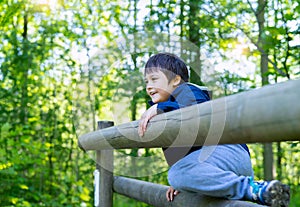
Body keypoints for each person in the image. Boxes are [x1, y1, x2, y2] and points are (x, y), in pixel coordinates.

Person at [138, 52, 290, 206]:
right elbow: (179, 155)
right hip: (213, 164)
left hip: (227, 150)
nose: (149, 86)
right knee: (178, 175)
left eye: (154, 79)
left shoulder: (186, 91)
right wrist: (183, 182)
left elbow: (194, 111)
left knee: (176, 174)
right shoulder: (166, 113)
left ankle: (250, 187)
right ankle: (258, 192)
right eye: (146, 82)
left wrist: (161, 108)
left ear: (176, 79)